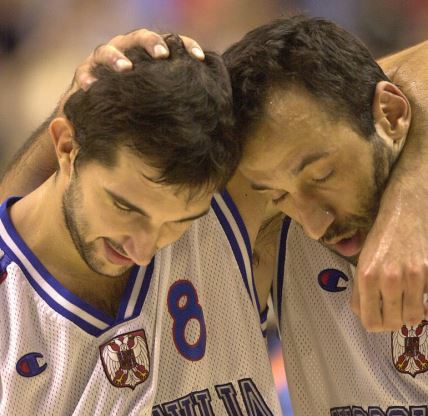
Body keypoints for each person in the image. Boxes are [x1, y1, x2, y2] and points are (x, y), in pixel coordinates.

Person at [0, 36, 281, 415]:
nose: (143, 249)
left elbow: (373, 99)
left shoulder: (223, 209)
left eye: (178, 223)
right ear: (66, 146)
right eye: (124, 207)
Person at [223, 16, 428, 413]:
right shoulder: (269, 226)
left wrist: (408, 201)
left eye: (322, 175)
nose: (314, 224)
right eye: (278, 194)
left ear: (390, 113)